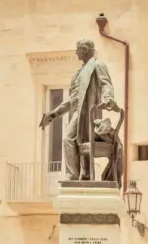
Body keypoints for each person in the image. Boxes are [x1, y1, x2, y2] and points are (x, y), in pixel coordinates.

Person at [39, 38, 120, 182]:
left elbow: (106, 83)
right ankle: (83, 176)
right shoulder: (79, 72)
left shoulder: (97, 65)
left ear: (85, 50)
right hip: (78, 111)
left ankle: (74, 176)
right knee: (74, 141)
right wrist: (54, 114)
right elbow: (73, 99)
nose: (76, 53)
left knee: (68, 139)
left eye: (78, 49)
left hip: (88, 112)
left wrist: (109, 98)